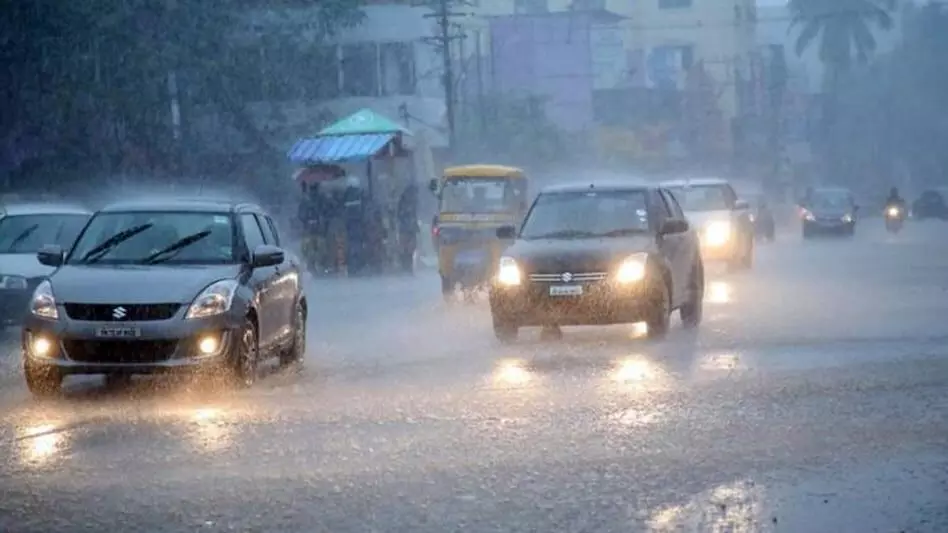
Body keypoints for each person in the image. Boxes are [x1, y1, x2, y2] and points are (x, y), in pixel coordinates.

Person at [396, 183, 419, 273]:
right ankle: (407, 267)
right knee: (409, 249)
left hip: (405, 229)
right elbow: (411, 215)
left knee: (406, 249)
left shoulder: (404, 201)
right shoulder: (410, 202)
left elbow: (400, 215)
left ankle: (406, 267)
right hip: (408, 229)